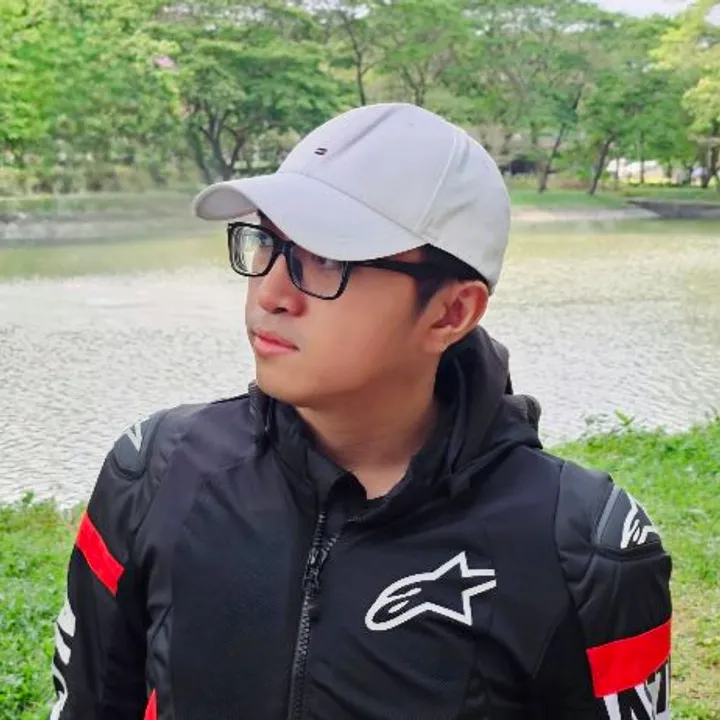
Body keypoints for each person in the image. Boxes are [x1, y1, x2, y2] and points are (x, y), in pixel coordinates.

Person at [50, 103, 671, 720]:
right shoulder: (156, 472)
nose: (271, 292)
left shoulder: (582, 550)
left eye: (328, 258)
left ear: (451, 312)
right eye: (267, 242)